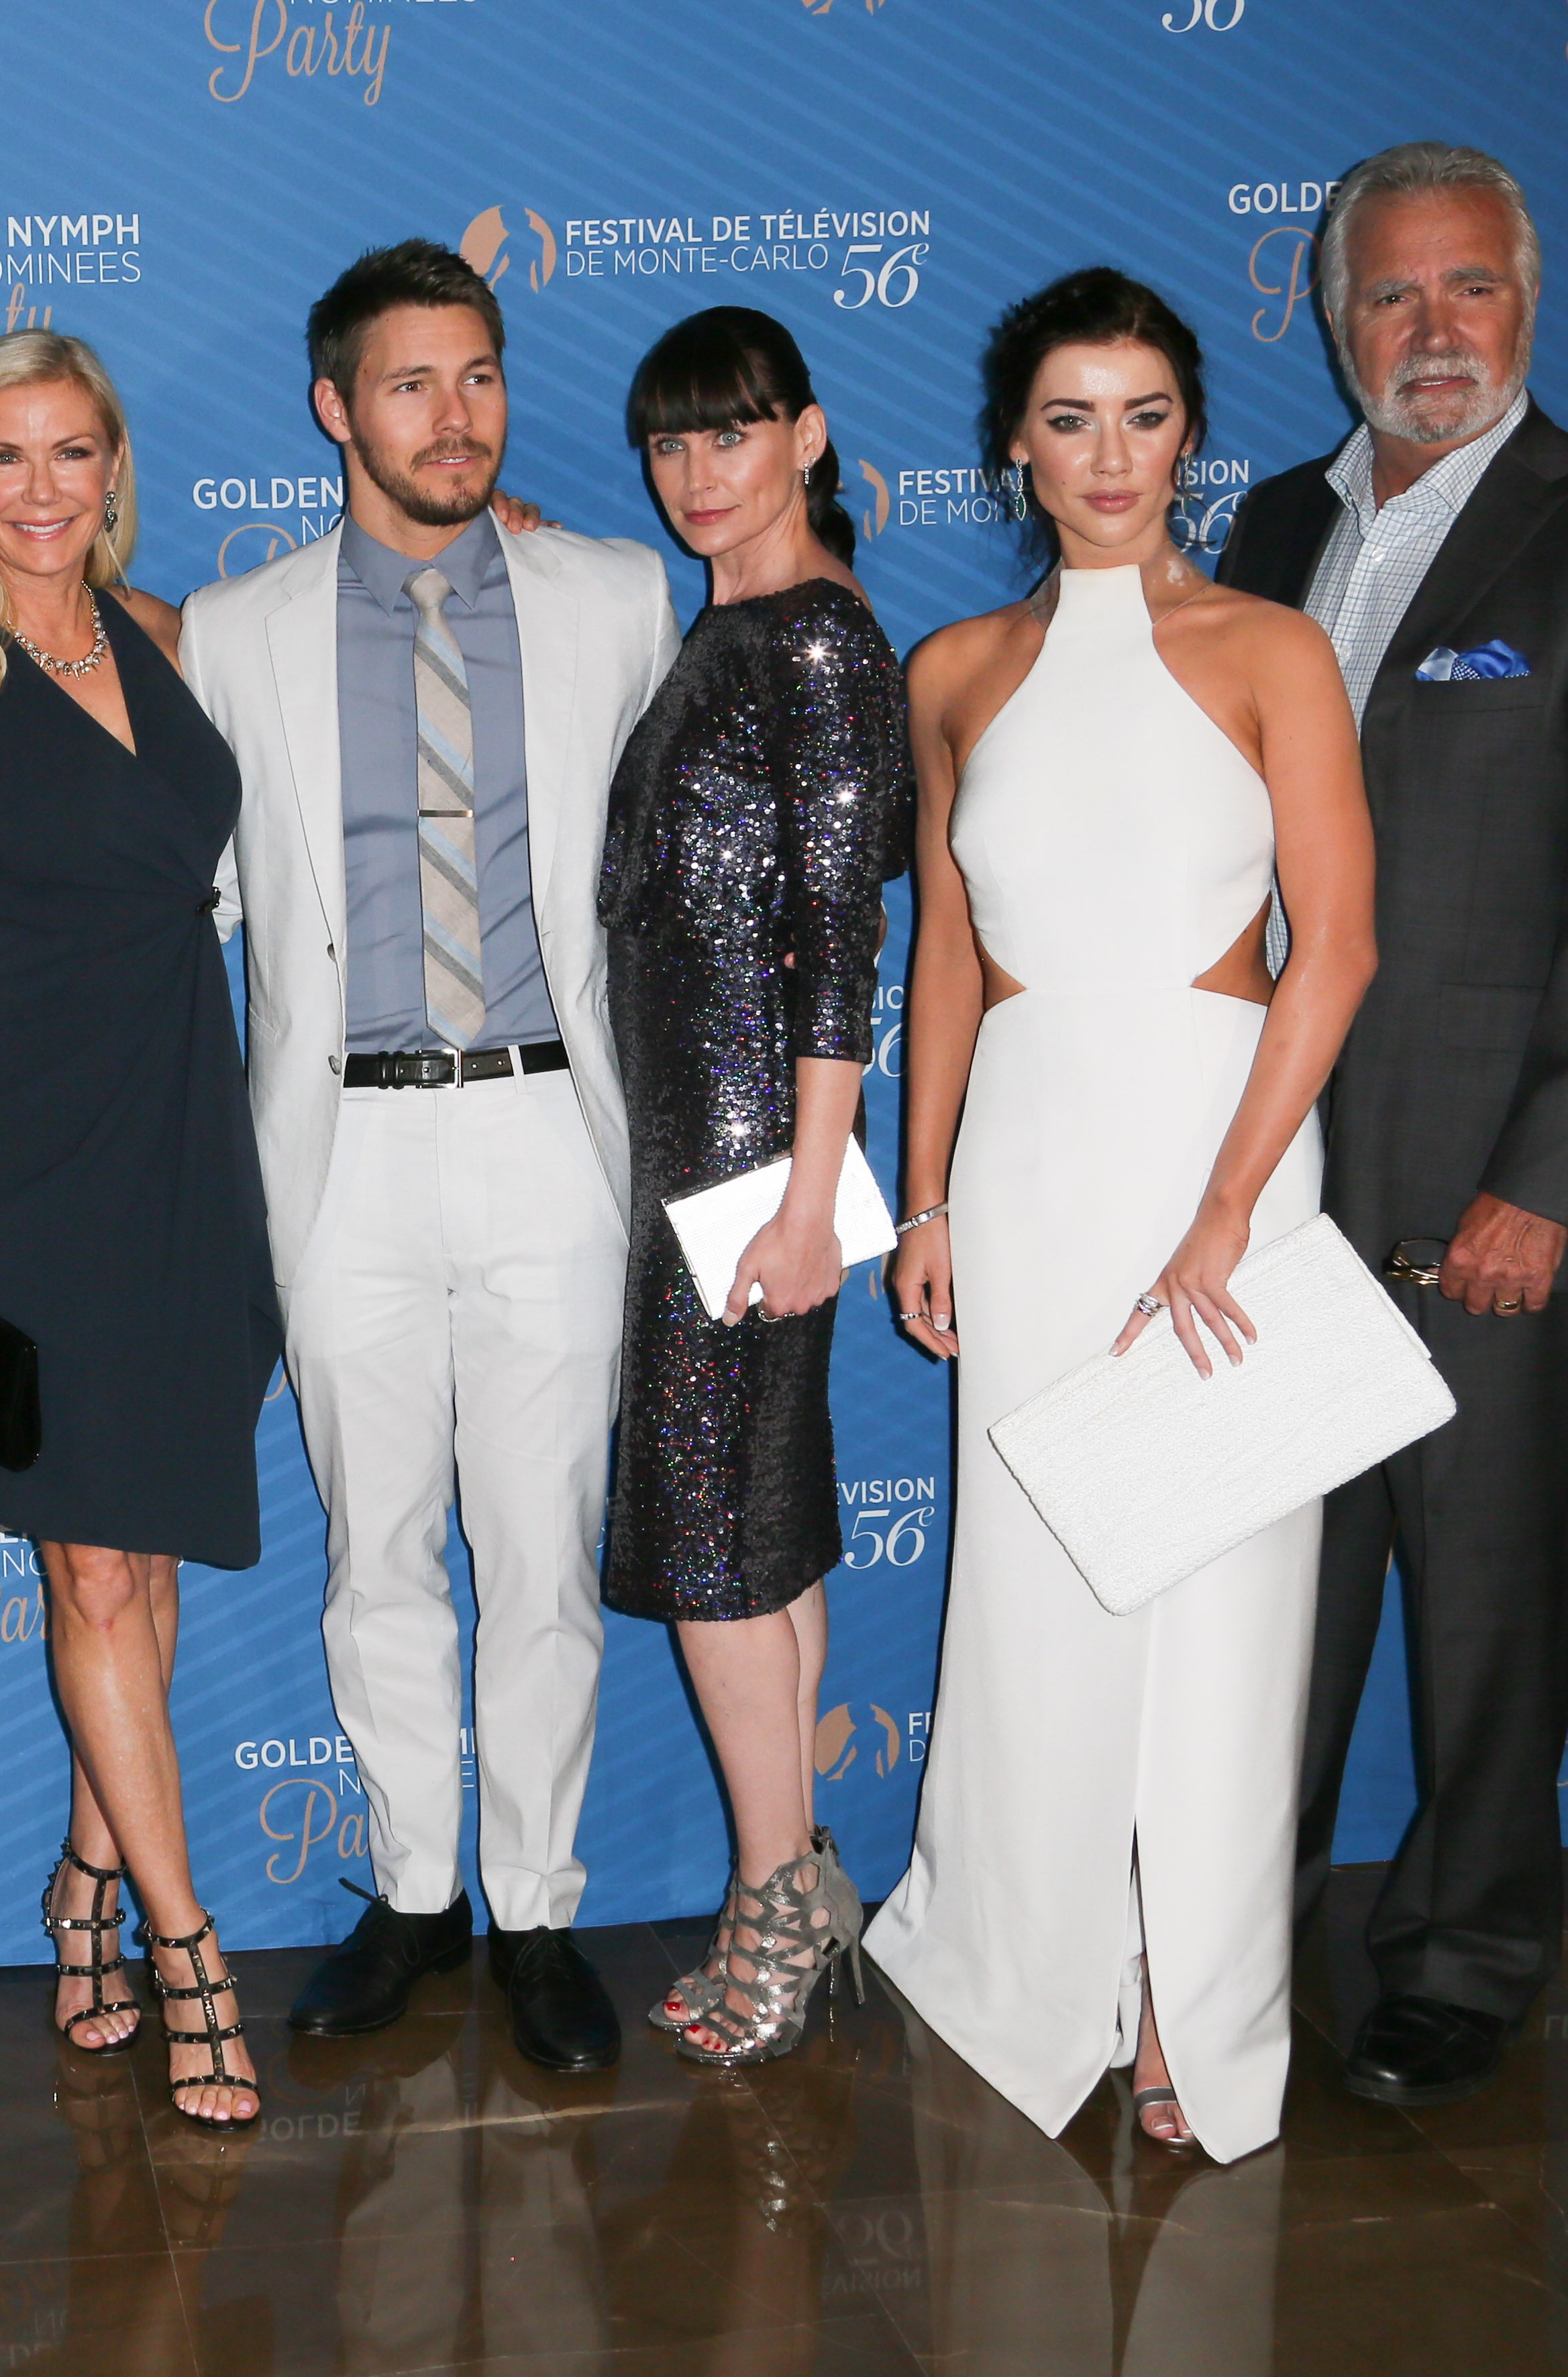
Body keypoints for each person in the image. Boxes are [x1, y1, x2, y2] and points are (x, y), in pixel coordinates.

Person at [1215, 143, 1568, 2109]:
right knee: (1277, 1597)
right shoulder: (1268, 526)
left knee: (1493, 1600)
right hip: (1271, 1187)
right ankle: (1224, 1920)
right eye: (1388, 296)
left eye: (1467, 292)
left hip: (1491, 1189)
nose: (1428, 332)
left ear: (1524, 305)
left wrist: (1549, 1179)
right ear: (1332, 314)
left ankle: (1462, 1954)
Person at [868, 268, 1376, 2161]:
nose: (1107, 456)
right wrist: (920, 1199)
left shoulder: (1268, 650)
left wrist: (1232, 1204)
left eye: (1143, 414)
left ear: (1188, 436)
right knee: (1036, 1572)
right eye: (1068, 417)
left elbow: (1335, 950)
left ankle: (1190, 1996)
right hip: (1022, 1160)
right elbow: (947, 962)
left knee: (1224, 1592)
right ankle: (1042, 1967)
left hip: (1212, 1144)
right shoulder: (955, 671)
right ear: (1015, 441)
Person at [176, 240, 678, 2074]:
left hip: (555, 1126)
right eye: (409, 383)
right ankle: (411, 1893)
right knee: (373, 1549)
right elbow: (203, 890)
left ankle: (538, 1906)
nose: (452, 416)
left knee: (539, 1551)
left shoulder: (616, 596)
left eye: (476, 377)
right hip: (341, 1154)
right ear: (334, 409)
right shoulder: (230, 634)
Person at [0, 329, 282, 2127]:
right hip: (17, 1173)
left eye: (70, 452)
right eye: (1, 458)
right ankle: (189, 1948)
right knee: (85, 1564)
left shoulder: (175, 639)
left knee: (150, 1558)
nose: (39, 488)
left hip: (189, 1142)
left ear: (114, 466)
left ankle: (84, 1881)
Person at [594, 309, 912, 2062]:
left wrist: (803, 1194)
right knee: (760, 1528)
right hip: (701, 1155)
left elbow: (834, 941)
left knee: (716, 1544)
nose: (698, 474)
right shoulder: (728, 630)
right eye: (669, 444)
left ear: (805, 434)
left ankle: (776, 1900)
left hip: (743, 1167)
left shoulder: (812, 645)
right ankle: (791, 1887)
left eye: (730, 436)